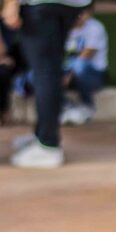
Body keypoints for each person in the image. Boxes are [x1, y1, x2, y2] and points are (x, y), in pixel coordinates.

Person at [2, 0, 88, 168]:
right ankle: (42, 136)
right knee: (52, 69)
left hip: (40, 4)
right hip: (72, 4)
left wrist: (10, 3)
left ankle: (48, 144)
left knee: (45, 71)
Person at [60, 3, 107, 125]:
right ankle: (66, 106)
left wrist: (69, 74)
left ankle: (87, 105)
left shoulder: (95, 27)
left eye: (83, 12)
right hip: (66, 73)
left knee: (79, 65)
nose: (79, 16)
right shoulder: (62, 27)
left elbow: (86, 54)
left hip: (92, 74)